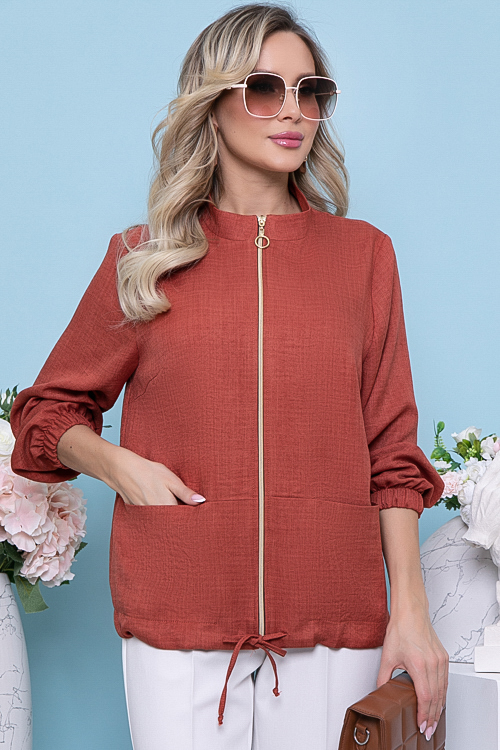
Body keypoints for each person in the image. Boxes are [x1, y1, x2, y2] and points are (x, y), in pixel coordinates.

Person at [10, 4, 449, 749]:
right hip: (177, 606)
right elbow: (46, 412)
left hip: (334, 615)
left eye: (310, 92)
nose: (293, 112)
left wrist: (410, 609)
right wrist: (120, 466)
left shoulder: (364, 257)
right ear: (212, 103)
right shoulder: (144, 258)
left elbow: (391, 452)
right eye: (265, 89)